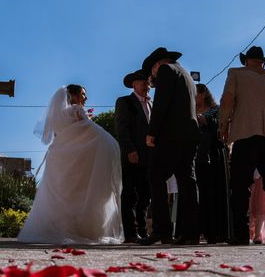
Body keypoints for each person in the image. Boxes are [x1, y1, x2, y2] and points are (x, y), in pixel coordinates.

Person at [18, 85, 123, 244]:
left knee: (63, 194)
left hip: (60, 157)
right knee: (79, 193)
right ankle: (82, 230)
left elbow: (58, 137)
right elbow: (92, 132)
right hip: (79, 159)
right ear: (72, 96)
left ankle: (59, 228)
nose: (85, 98)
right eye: (82, 94)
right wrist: (111, 143)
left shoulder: (57, 115)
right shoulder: (77, 110)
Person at [219, 46, 265, 246]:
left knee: (240, 187)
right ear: (264, 62)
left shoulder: (235, 74)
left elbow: (227, 101)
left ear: (246, 61)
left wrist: (223, 126)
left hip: (245, 135)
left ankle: (241, 234)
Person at [140, 47, 200, 246]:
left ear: (157, 65)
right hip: (190, 133)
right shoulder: (187, 75)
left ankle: (161, 230)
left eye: (151, 73)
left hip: (172, 134)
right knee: (187, 181)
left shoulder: (166, 70)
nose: (152, 78)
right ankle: (191, 232)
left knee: (155, 176)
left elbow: (161, 103)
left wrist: (152, 132)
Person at [114, 71, 152, 243]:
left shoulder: (153, 103)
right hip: (132, 155)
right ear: (134, 85)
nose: (147, 86)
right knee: (129, 194)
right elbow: (122, 128)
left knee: (146, 194)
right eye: (144, 83)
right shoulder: (125, 102)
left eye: (148, 83)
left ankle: (143, 231)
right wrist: (130, 150)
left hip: (149, 157)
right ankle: (130, 233)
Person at [195, 83, 230, 243]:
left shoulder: (216, 110)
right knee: (203, 194)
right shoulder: (192, 113)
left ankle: (220, 231)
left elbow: (221, 126)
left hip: (215, 155)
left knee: (217, 192)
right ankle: (207, 231)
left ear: (202, 94)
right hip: (200, 157)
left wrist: (206, 119)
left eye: (194, 94)